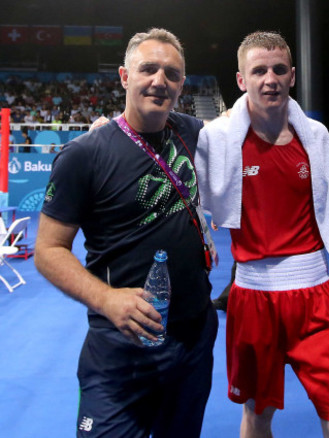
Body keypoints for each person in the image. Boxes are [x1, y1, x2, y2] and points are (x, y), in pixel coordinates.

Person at [34, 28, 218, 438]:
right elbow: (47, 250)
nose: (159, 80)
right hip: (121, 347)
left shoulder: (191, 133)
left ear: (182, 85)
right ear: (124, 76)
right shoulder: (85, 154)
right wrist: (105, 299)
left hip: (193, 338)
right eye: (148, 69)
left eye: (171, 73)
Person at [195, 31, 329, 438]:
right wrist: (107, 126)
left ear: (291, 76)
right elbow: (160, 140)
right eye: (259, 70)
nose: (269, 78)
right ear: (241, 80)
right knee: (257, 417)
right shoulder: (217, 138)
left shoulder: (316, 137)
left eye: (278, 69)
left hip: (317, 298)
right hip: (253, 298)